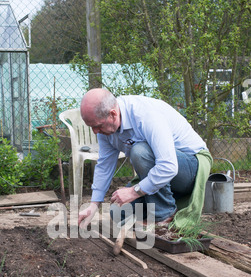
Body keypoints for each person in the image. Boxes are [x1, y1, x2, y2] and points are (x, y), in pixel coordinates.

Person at [78, 88, 212, 230]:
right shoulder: (105, 130)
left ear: (113, 114)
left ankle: (164, 215)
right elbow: (104, 165)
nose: (95, 132)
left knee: (140, 151)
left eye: (97, 126)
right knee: (118, 212)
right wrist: (93, 205)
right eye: (91, 127)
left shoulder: (145, 115)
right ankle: (165, 207)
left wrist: (132, 192)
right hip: (163, 177)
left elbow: (168, 166)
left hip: (191, 169)